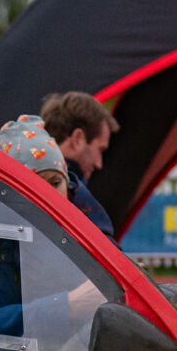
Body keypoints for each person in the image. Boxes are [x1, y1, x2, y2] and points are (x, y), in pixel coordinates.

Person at [39, 90, 118, 240]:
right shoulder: (74, 190)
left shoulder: (22, 183)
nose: (99, 164)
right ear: (78, 139)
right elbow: (102, 251)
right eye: (100, 150)